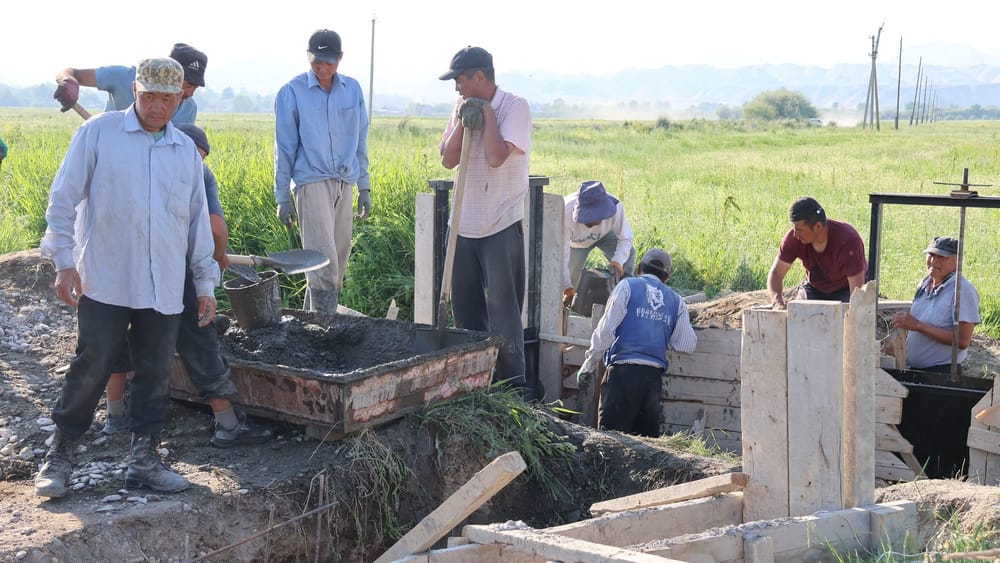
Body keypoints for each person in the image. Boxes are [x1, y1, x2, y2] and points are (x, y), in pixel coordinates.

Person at [35, 58, 219, 498]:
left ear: (180, 100)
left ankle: (144, 459)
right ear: (134, 90)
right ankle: (59, 453)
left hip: (164, 284)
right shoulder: (98, 133)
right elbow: (63, 199)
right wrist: (63, 260)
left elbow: (196, 225)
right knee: (93, 363)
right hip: (107, 277)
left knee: (155, 371)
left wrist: (205, 283)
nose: (157, 107)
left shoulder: (183, 153)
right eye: (149, 96)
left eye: (167, 99)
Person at [100, 123, 272, 448]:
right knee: (197, 337)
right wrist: (216, 255)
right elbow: (216, 227)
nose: (198, 161)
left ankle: (114, 416)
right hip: (172, 267)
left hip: (124, 262)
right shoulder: (199, 173)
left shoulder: (134, 161)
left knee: (121, 335)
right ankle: (228, 424)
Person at [437, 46, 533, 397]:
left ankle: (513, 388)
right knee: (466, 308)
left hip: (500, 221)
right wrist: (464, 123)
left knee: (504, 310)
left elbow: (496, 157)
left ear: (479, 76)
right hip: (464, 221)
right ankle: (475, 385)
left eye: (460, 80)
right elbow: (448, 160)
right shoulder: (460, 107)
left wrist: (488, 117)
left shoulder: (515, 107)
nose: (456, 88)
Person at [274, 29, 371, 313]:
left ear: (340, 59)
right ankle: (324, 331)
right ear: (308, 57)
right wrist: (282, 197)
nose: (322, 67)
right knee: (321, 259)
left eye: (328, 62)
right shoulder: (292, 92)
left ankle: (311, 324)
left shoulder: (352, 90)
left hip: (345, 181)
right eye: (317, 61)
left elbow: (360, 140)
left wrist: (364, 187)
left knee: (337, 261)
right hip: (311, 181)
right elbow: (284, 147)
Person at [576, 248, 697, 436]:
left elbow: (606, 331)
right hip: (652, 381)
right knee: (645, 449)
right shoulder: (676, 301)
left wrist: (588, 365)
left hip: (622, 375)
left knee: (611, 444)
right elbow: (687, 344)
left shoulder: (627, 287)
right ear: (666, 277)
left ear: (639, 268)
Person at [53, 43, 207, 124]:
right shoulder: (123, 77)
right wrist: (69, 82)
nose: (190, 93)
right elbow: (70, 72)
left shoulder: (189, 108)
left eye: (195, 87)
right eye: (186, 85)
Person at [892, 236, 980, 374]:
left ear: (957, 262)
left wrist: (918, 326)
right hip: (913, 370)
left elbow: (963, 340)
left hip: (942, 374)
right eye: (931, 255)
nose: (934, 261)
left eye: (942, 257)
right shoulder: (925, 283)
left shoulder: (962, 290)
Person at [767, 196, 867, 309]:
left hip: (845, 290)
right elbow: (776, 274)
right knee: (798, 315)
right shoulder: (793, 239)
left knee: (842, 318)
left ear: (818, 226)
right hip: (814, 288)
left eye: (799, 230)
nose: (795, 234)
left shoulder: (848, 240)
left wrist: (851, 311)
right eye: (793, 228)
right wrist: (777, 302)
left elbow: (857, 292)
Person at [562, 180, 636, 307]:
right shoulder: (564, 212)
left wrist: (617, 261)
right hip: (576, 243)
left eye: (593, 217)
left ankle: (625, 296)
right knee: (570, 280)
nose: (590, 222)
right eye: (586, 217)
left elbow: (625, 238)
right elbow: (560, 256)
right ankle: (569, 307)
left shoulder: (615, 206)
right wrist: (566, 287)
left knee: (628, 255)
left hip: (605, 235)